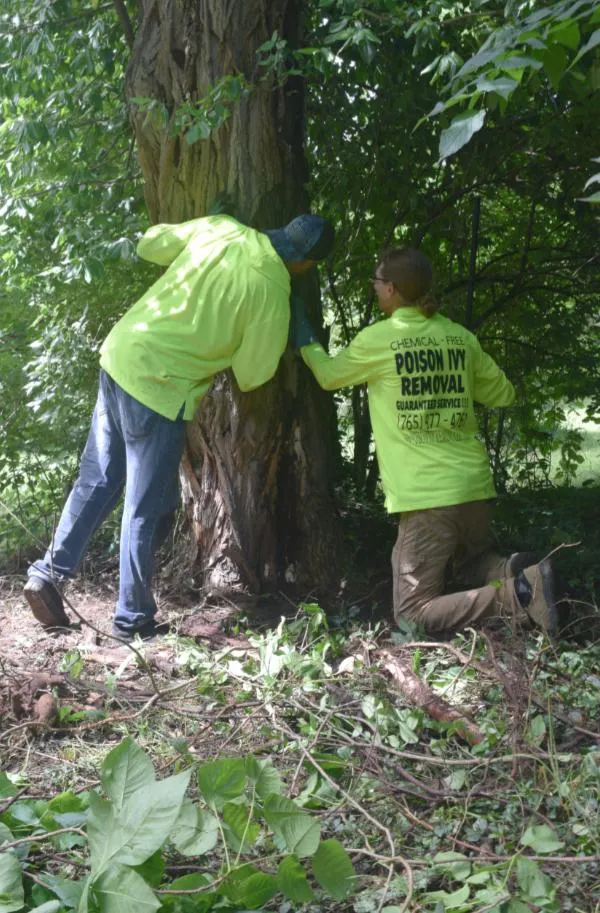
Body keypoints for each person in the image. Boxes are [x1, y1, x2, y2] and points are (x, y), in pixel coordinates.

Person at [24, 211, 335, 641]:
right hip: (158, 388)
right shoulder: (271, 291)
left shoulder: (222, 227)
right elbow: (252, 373)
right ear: (306, 264)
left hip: (121, 355)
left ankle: (47, 575)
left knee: (98, 479)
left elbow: (151, 244)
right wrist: (283, 324)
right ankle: (132, 619)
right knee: (145, 507)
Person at [292, 247, 557, 636]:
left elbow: (329, 375)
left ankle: (516, 595)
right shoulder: (459, 337)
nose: (374, 288)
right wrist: (457, 362)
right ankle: (516, 571)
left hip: (427, 496)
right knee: (471, 565)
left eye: (377, 282)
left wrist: (305, 339)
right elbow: (502, 394)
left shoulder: (380, 340)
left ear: (394, 290)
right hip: (473, 487)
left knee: (412, 613)